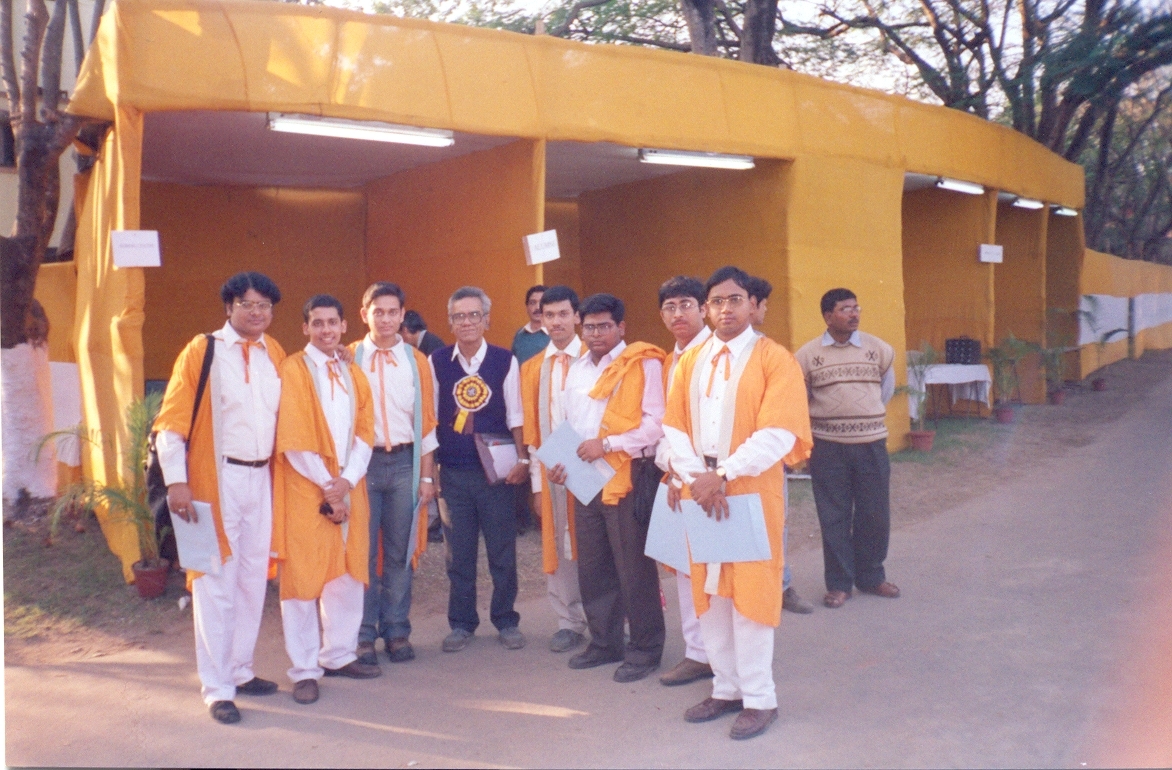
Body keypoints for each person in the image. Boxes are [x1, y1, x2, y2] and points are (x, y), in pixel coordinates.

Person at [662, 265, 813, 741]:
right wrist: (698, 478)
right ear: (706, 309)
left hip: (748, 488)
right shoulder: (691, 360)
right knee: (710, 594)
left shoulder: (775, 360)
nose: (725, 309)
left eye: (735, 299)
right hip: (700, 489)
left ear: (754, 305)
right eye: (716, 302)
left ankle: (759, 698)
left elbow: (778, 432)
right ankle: (724, 688)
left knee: (750, 595)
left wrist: (723, 475)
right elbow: (673, 430)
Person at [156, 272, 286, 725]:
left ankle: (241, 669)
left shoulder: (275, 353)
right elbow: (172, 420)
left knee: (252, 580)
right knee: (215, 584)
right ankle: (217, 689)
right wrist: (177, 481)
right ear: (229, 306)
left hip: (261, 481)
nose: (257, 313)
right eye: (249, 304)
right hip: (215, 480)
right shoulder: (203, 350)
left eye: (265, 306)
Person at [547, 293, 666, 683]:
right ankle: (604, 642)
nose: (596, 333)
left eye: (604, 326)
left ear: (621, 328)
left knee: (633, 566)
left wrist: (609, 445)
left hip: (626, 475)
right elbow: (571, 422)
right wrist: (559, 462)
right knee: (594, 565)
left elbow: (655, 423)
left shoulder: (642, 363)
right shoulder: (578, 368)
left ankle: (645, 648)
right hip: (584, 479)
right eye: (590, 326)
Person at [272, 294, 380, 707]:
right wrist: (328, 484)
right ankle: (304, 670)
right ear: (305, 328)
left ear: (343, 326)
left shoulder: (353, 373)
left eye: (332, 323)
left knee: (348, 575)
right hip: (306, 488)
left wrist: (348, 480)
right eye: (317, 323)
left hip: (350, 486)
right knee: (302, 580)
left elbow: (365, 432)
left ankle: (339, 654)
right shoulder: (294, 370)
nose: (326, 330)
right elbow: (294, 436)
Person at [430, 286, 529, 653]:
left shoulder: (505, 360)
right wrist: (433, 470)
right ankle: (461, 623)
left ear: (486, 319)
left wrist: (522, 460)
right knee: (459, 552)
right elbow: (431, 417)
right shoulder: (437, 361)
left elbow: (515, 413)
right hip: (453, 472)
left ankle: (505, 619)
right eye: (459, 316)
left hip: (496, 473)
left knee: (502, 550)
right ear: (451, 322)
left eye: (474, 315)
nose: (467, 322)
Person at [350, 282, 438, 667]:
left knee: (401, 553)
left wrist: (428, 478)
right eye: (378, 312)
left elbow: (428, 426)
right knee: (364, 552)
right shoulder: (348, 357)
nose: (385, 319)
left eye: (392, 312)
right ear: (364, 314)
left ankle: (398, 631)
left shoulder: (417, 361)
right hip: (362, 465)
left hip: (405, 464)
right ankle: (363, 634)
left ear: (403, 316)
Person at [795, 288, 898, 610]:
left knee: (874, 513)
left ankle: (871, 576)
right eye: (845, 309)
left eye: (856, 308)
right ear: (828, 316)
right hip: (828, 448)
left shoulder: (878, 349)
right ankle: (839, 584)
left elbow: (886, 390)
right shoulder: (808, 356)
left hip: (871, 445)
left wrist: (862, 417)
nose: (853, 314)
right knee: (834, 516)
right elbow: (802, 397)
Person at [652, 276, 715, 687]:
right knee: (684, 569)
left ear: (704, 309)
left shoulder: (715, 354)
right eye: (670, 306)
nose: (679, 313)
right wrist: (672, 470)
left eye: (686, 304)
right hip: (675, 476)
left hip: (711, 479)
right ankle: (698, 653)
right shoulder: (667, 360)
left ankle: (723, 657)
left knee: (716, 569)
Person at [521, 285, 589, 654]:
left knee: (599, 547)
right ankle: (568, 620)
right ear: (540, 319)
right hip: (553, 471)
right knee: (559, 545)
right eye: (549, 315)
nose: (557, 321)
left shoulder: (596, 359)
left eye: (564, 314)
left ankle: (608, 619)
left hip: (595, 466)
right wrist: (536, 483)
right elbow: (533, 434)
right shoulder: (533, 369)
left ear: (577, 317)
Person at [745, 275, 815, 617]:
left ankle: (782, 586)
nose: (765, 310)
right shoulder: (707, 356)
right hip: (724, 460)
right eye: (763, 304)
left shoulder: (772, 354)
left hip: (766, 456)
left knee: (776, 523)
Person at [403, 309, 445, 542]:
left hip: (432, 416)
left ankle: (439, 520)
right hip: (431, 417)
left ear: (407, 330)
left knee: (434, 470)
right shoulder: (429, 342)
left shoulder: (429, 348)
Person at [511, 285, 550, 365]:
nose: (537, 307)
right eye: (532, 303)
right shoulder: (519, 335)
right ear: (527, 307)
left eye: (542, 303)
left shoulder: (555, 334)